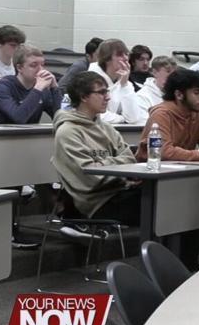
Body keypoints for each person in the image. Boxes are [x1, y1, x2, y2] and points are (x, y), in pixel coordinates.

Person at [135, 69, 199, 269]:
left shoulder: (196, 114)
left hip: (178, 181)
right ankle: (167, 268)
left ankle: (187, 263)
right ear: (179, 95)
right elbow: (163, 150)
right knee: (185, 210)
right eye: (196, 92)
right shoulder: (162, 113)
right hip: (148, 185)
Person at [51, 71, 140, 227]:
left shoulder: (107, 128)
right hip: (98, 204)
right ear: (83, 97)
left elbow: (130, 159)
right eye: (101, 92)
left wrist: (103, 163)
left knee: (164, 195)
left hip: (120, 193)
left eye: (107, 91)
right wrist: (121, 168)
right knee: (159, 205)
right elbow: (92, 177)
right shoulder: (67, 132)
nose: (108, 97)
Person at [0, 44, 61, 124]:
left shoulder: (42, 90)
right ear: (19, 68)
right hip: (0, 135)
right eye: (33, 65)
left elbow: (62, 118)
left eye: (42, 65)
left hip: (31, 135)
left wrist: (55, 88)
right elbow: (19, 118)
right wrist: (38, 88)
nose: (41, 69)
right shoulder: (0, 87)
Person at [120, 56, 177, 125]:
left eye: (174, 73)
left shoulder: (177, 95)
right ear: (154, 72)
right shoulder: (142, 96)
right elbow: (142, 124)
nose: (172, 77)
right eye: (168, 71)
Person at [88, 39, 134, 123]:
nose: (126, 58)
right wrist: (122, 119)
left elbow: (133, 118)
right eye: (120, 55)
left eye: (126, 54)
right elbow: (96, 115)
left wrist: (125, 85)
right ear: (107, 58)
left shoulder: (125, 82)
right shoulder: (90, 80)